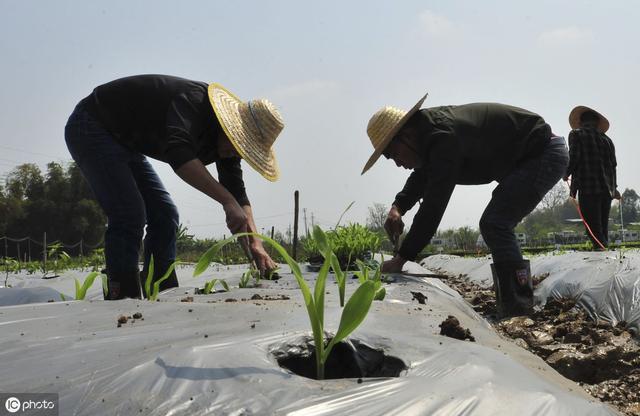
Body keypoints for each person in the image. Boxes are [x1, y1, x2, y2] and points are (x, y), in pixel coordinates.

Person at [65, 74, 284, 300]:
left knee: (165, 214)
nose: (237, 154)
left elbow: (238, 194)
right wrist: (226, 201)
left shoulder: (228, 146)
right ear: (230, 128)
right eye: (239, 146)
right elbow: (179, 155)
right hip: (92, 125)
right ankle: (121, 297)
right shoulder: (194, 102)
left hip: (124, 141)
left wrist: (256, 243)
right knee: (129, 213)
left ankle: (161, 293)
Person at [362, 94, 569, 316]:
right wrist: (398, 207)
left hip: (543, 153)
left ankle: (518, 304)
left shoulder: (442, 136)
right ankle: (514, 300)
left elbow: (434, 203)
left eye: (393, 155)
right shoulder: (428, 136)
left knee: (495, 223)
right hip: (531, 157)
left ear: (406, 136)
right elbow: (423, 175)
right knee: (495, 222)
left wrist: (402, 258)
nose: (398, 163)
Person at [564, 106, 620, 249]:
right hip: (607, 190)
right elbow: (613, 166)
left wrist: (565, 173)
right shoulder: (607, 140)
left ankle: (602, 252)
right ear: (596, 123)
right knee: (602, 227)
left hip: (589, 188)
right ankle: (605, 253)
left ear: (582, 122)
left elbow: (574, 158)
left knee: (593, 229)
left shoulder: (576, 134)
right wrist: (615, 189)